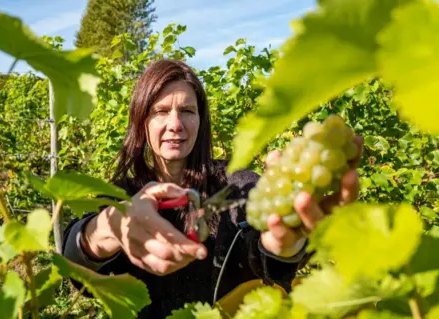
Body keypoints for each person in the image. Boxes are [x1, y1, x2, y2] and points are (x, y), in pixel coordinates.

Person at [62, 59, 363, 318]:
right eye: (161, 111)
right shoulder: (121, 195)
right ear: (142, 122)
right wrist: (111, 227)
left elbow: (264, 254)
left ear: (201, 120)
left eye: (187, 111)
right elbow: (78, 268)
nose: (175, 123)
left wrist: (284, 245)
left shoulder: (237, 185)